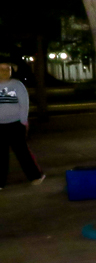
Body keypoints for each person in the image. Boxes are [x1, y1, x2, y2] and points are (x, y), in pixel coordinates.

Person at [0, 61, 44, 190]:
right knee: (1, 154)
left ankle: (35, 176)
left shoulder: (17, 85)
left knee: (22, 152)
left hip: (15, 124)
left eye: (7, 68)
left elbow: (24, 104)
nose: (4, 71)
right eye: (1, 68)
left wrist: (23, 122)